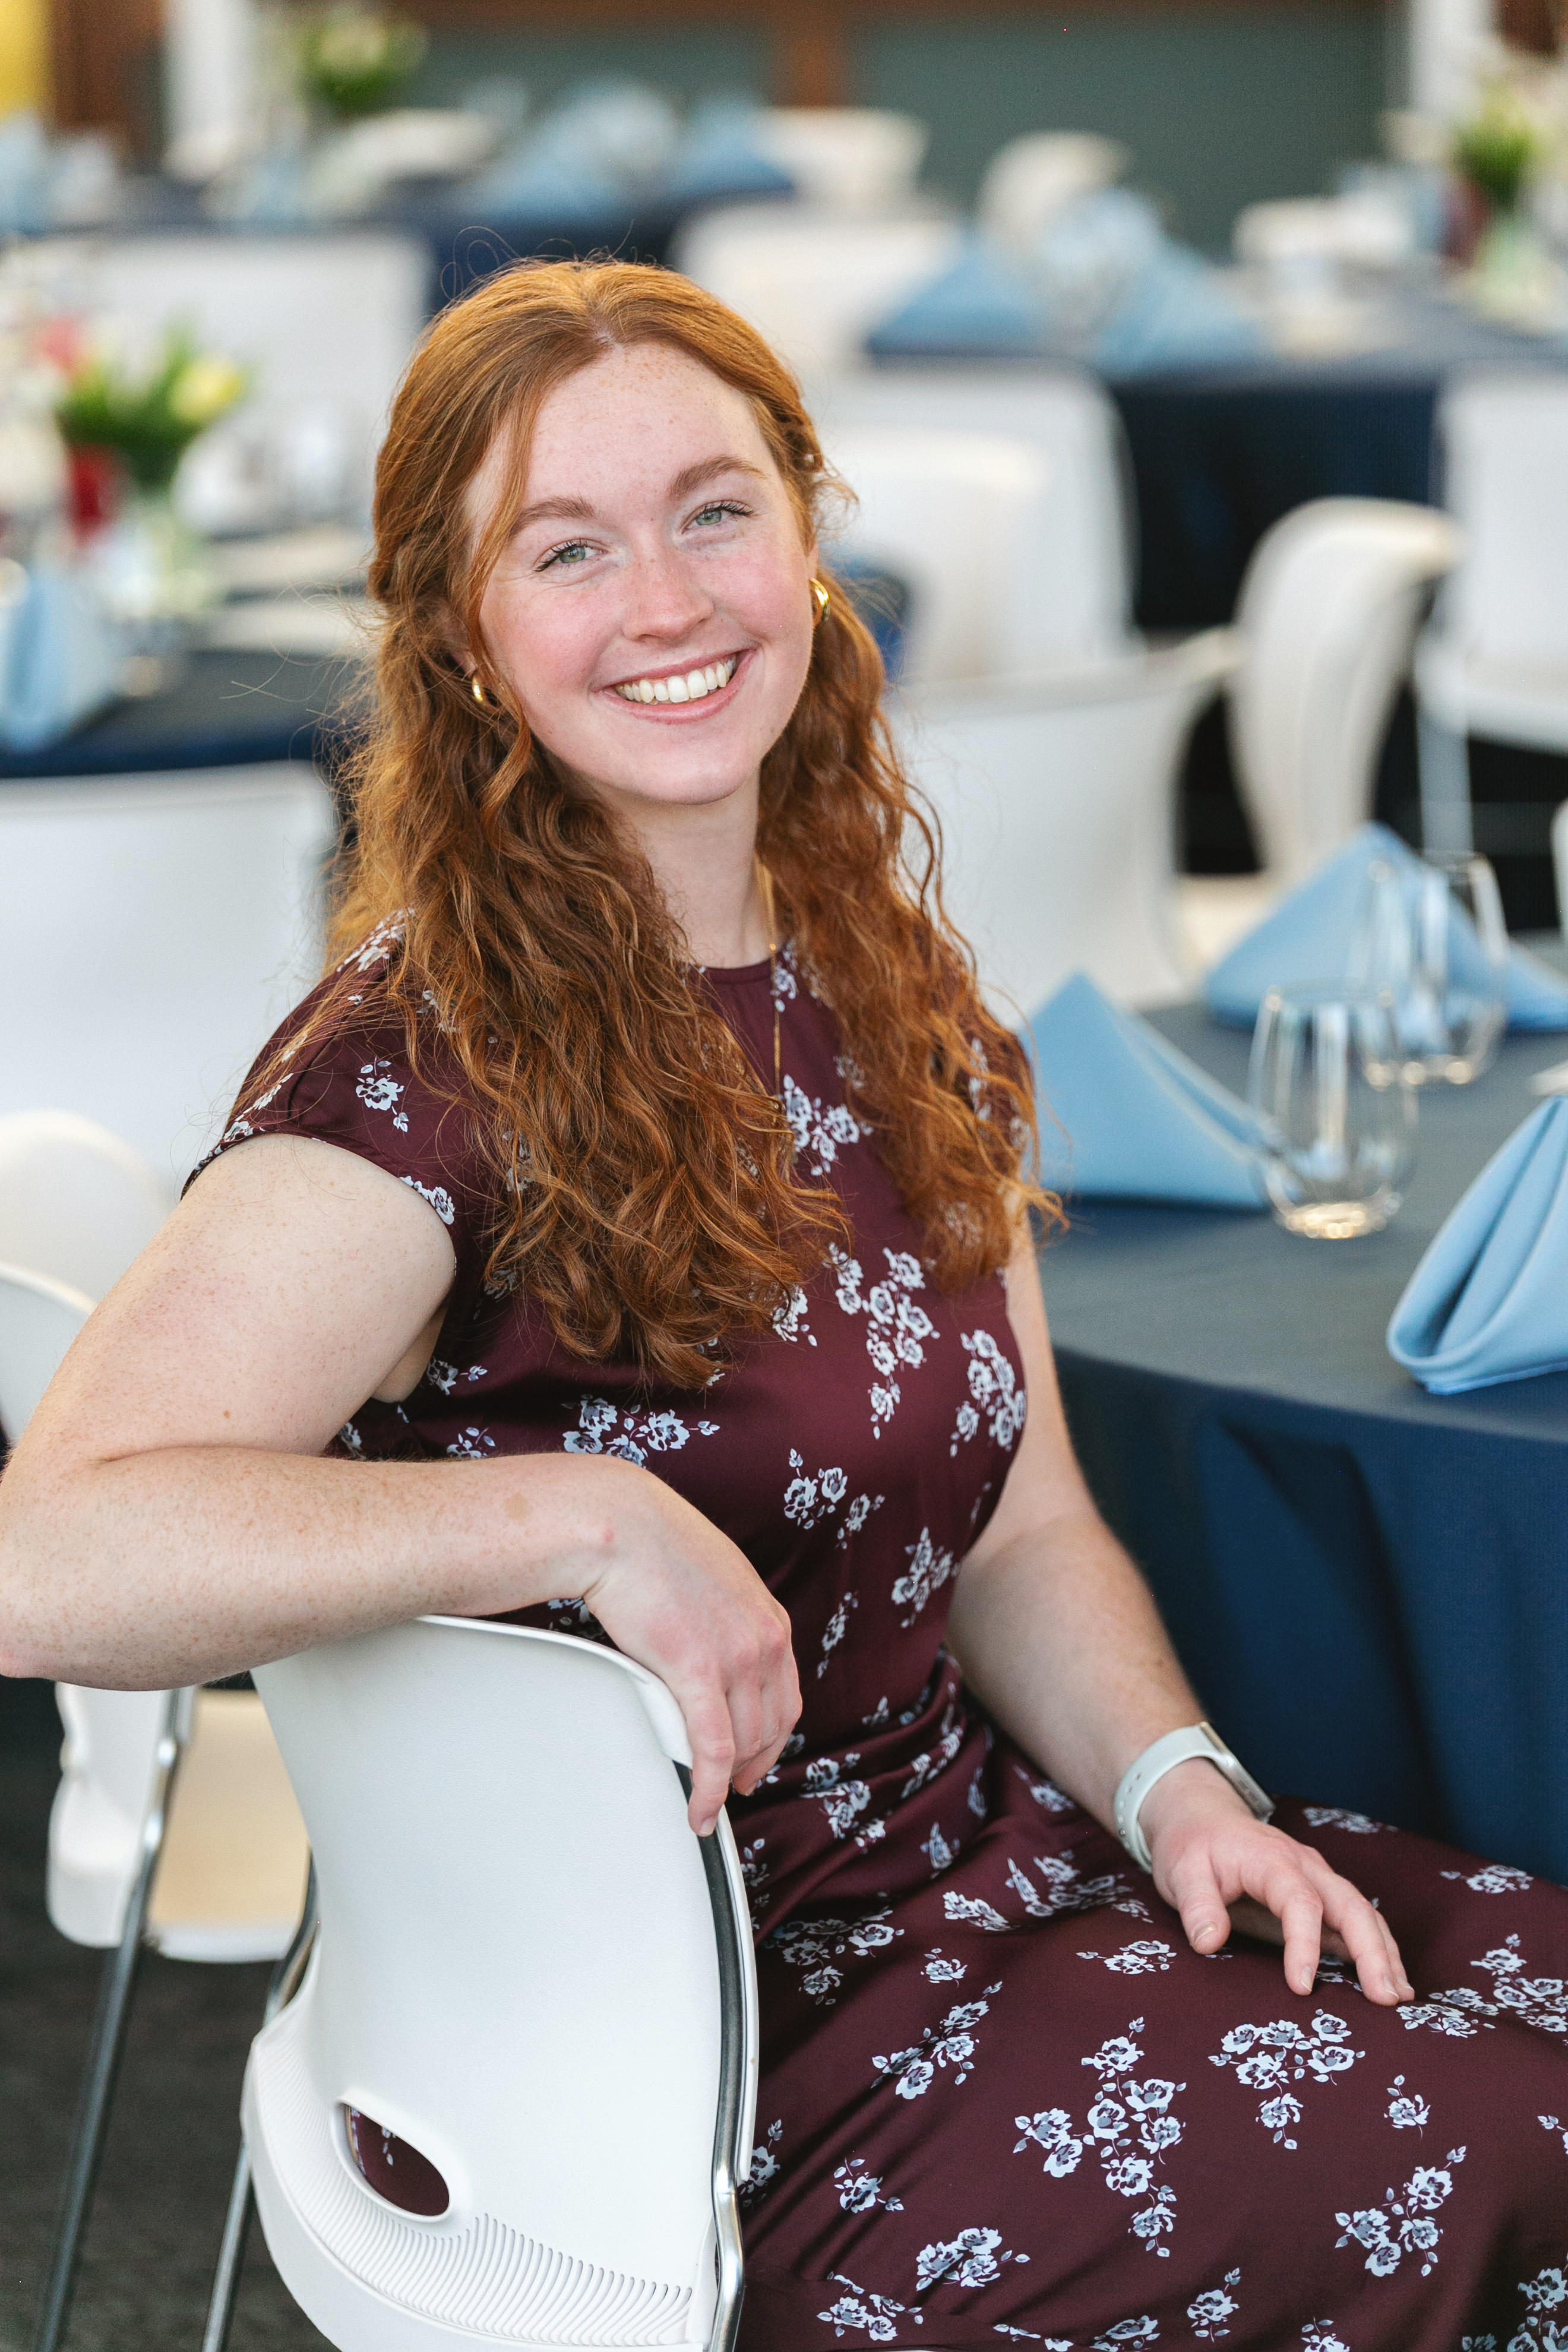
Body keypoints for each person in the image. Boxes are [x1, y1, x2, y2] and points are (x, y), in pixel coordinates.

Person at [1, 258, 1563, 2351]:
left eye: (714, 511)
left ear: (811, 544)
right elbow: (53, 1551)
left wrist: (1182, 1785)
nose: (667, 601)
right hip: (684, 2064)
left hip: (983, 1892)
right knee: (1486, 2139)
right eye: (567, 549)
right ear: (465, 645)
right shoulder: (422, 1080)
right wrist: (583, 1510)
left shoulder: (888, 992)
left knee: (1526, 1995)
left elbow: (1027, 1528)